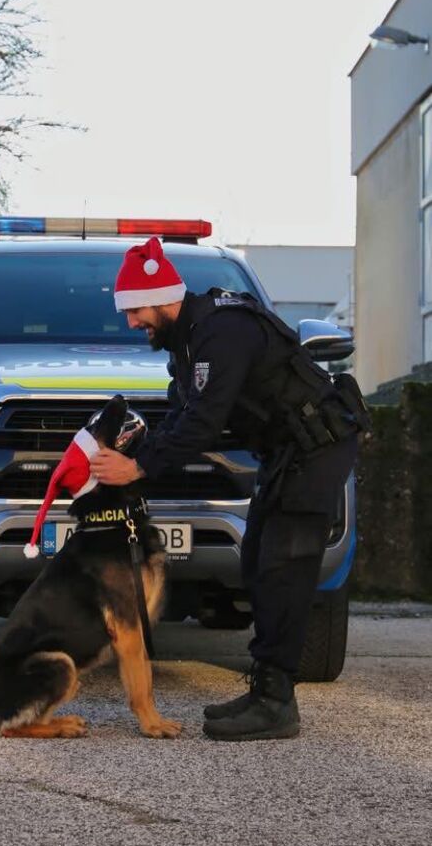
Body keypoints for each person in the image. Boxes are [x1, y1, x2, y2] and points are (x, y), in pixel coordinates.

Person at [90, 236, 369, 741]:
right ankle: (265, 691)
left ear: (162, 298)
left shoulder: (222, 331)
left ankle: (277, 704)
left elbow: (203, 423)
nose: (131, 323)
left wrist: (138, 470)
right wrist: (136, 452)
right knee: (258, 562)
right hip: (285, 452)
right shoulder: (186, 342)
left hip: (317, 447)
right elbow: (182, 415)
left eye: (135, 311)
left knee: (283, 568)